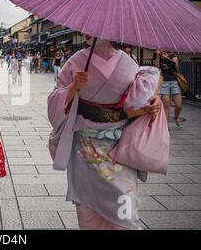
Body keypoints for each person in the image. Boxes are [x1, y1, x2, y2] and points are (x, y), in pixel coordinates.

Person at [47, 35, 162, 230]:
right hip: (85, 145)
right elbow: (54, 99)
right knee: (88, 207)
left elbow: (135, 104)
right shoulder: (76, 61)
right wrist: (73, 88)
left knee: (125, 203)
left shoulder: (128, 63)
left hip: (118, 146)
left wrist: (152, 104)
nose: (87, 33)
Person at [155, 50, 184, 127]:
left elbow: (176, 67)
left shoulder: (174, 56)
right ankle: (166, 126)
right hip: (164, 82)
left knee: (179, 105)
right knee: (166, 105)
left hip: (174, 82)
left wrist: (167, 58)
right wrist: (158, 56)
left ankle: (176, 117)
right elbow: (157, 66)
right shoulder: (160, 56)